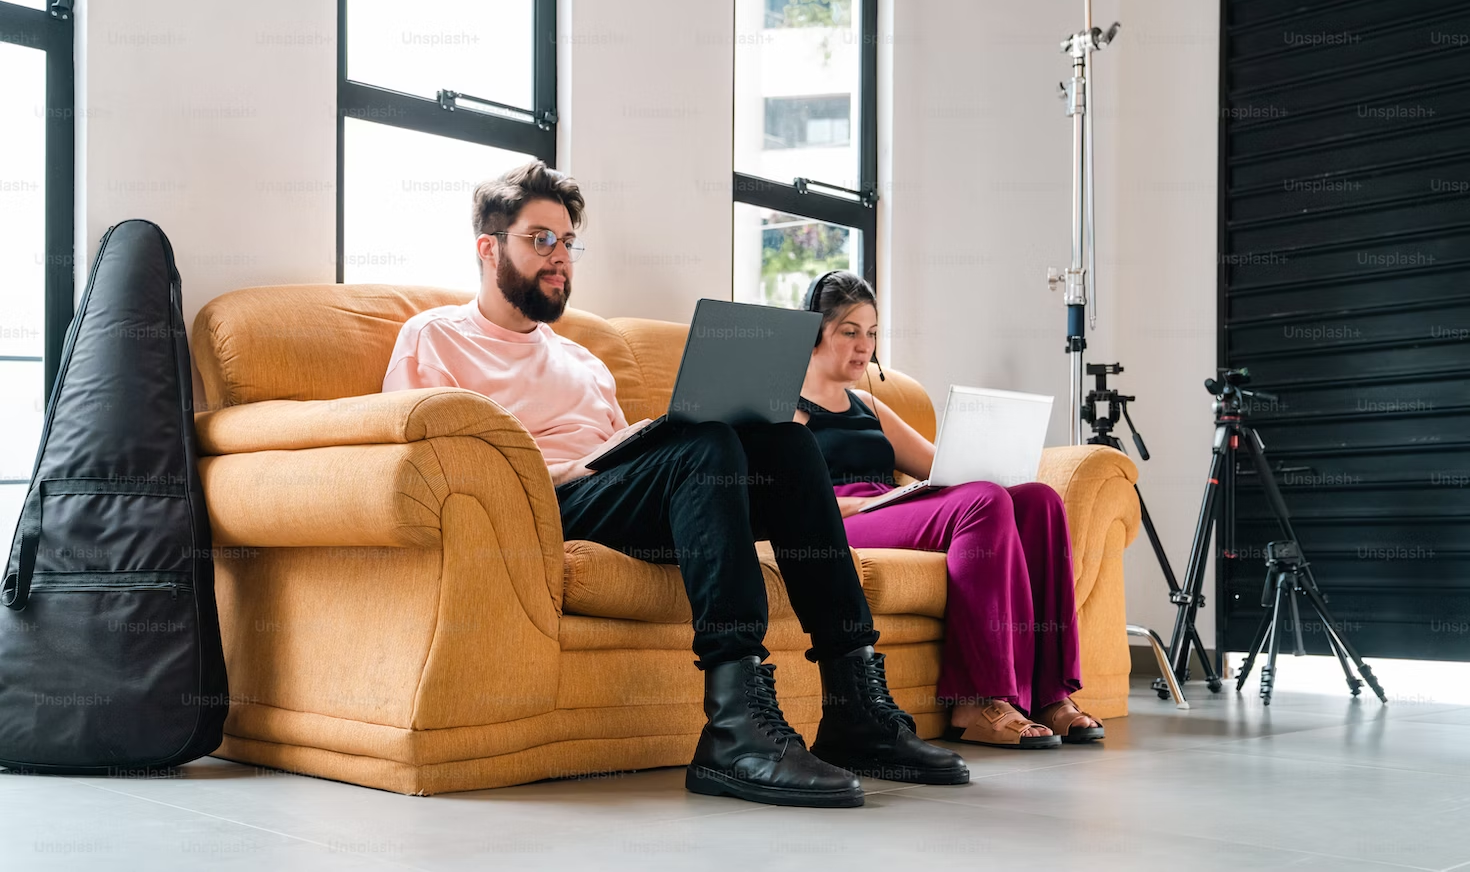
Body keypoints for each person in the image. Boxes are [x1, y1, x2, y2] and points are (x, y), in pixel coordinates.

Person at [382, 161, 969, 807]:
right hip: (539, 503)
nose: (560, 258)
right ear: (488, 247)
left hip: (617, 496)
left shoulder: (581, 360)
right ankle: (734, 730)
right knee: (706, 446)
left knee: (785, 441)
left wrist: (639, 443)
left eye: (568, 242)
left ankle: (854, 707)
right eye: (541, 239)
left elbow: (620, 453)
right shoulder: (435, 336)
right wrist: (570, 468)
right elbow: (420, 456)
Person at [794, 271, 1105, 749]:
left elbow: (942, 466)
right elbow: (786, 495)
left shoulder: (868, 406)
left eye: (872, 333)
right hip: (839, 518)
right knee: (982, 502)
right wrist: (870, 501)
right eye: (849, 332)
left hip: (890, 505)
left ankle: (1049, 694)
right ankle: (977, 700)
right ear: (815, 332)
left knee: (1039, 500)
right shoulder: (788, 406)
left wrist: (995, 459)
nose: (864, 346)